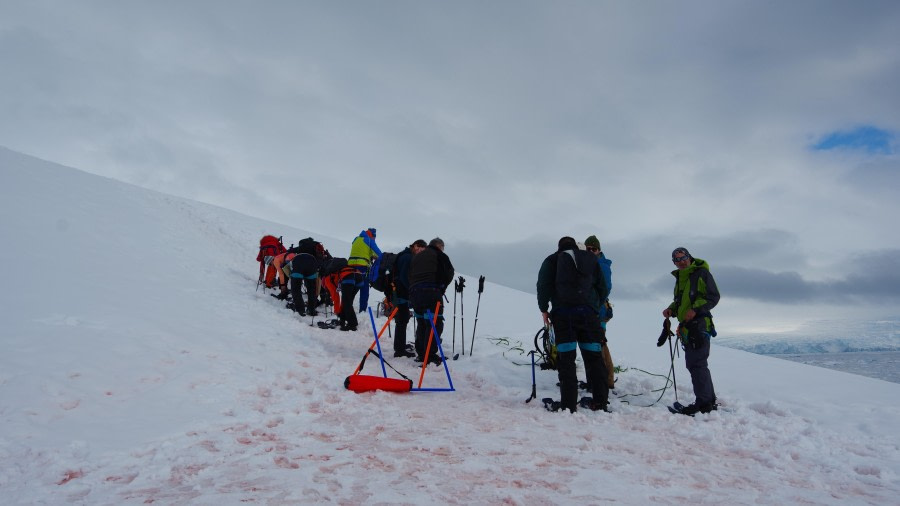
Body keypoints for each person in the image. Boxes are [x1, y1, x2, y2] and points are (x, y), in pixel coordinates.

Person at [537, 236, 609, 413]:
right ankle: (600, 403)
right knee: (594, 358)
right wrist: (595, 305)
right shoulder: (590, 259)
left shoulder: (552, 260)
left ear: (559, 247)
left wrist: (544, 309)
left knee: (567, 360)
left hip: (564, 315)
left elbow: (543, 286)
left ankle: (568, 405)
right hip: (589, 316)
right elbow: (603, 287)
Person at [662, 247, 721, 415]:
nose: (681, 262)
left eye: (683, 258)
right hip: (690, 326)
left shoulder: (701, 273)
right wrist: (671, 310)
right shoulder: (682, 277)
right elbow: (681, 301)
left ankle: (704, 404)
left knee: (697, 364)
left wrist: (695, 310)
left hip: (699, 325)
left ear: (689, 257)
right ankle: (708, 401)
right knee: (698, 364)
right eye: (677, 260)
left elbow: (713, 296)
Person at [409, 238, 455, 365]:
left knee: (422, 323)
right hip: (431, 292)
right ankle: (430, 355)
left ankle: (422, 354)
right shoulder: (440, 255)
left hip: (415, 293)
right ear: (440, 246)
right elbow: (449, 273)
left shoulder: (416, 257)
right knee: (434, 323)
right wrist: (441, 288)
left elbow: (410, 274)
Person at [585, 235, 615, 390]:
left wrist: (594, 305)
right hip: (593, 310)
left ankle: (605, 380)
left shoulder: (601, 265)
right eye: (587, 248)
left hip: (598, 311)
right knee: (595, 343)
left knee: (599, 344)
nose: (590, 251)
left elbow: (606, 287)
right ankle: (599, 379)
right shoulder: (591, 263)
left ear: (599, 250)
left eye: (593, 249)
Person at [392, 239, 427, 358]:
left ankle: (400, 346)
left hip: (400, 291)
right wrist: (412, 290)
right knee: (402, 320)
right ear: (415, 246)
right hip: (402, 293)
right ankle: (399, 350)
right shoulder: (407, 257)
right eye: (420, 250)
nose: (420, 253)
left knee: (403, 319)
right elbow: (404, 277)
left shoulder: (405, 255)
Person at [348, 228, 382, 314]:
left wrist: (371, 255)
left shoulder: (356, 239)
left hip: (350, 267)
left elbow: (361, 251)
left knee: (351, 288)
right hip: (362, 267)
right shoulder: (370, 240)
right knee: (364, 289)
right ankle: (362, 311)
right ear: (373, 236)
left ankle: (347, 308)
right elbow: (380, 254)